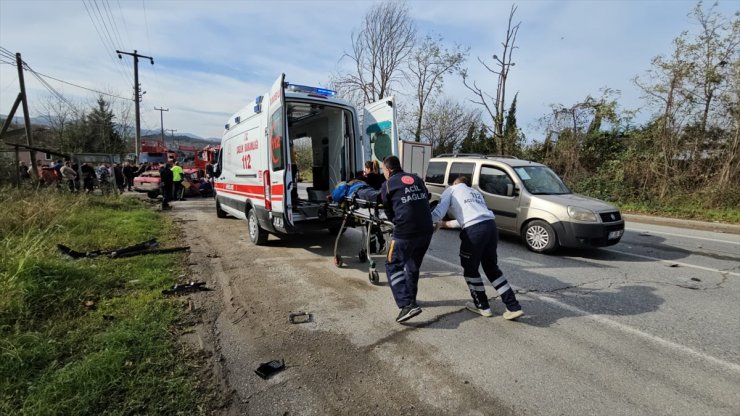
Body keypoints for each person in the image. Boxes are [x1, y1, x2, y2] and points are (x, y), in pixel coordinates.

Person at [430, 176, 524, 320]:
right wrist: (443, 224)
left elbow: (438, 212)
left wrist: (425, 223)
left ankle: (483, 306)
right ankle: (513, 306)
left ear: (456, 183)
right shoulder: (476, 193)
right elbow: (467, 219)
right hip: (491, 227)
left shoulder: (452, 189)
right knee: (492, 268)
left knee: (470, 269)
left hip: (474, 231)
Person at [380, 155, 434, 323]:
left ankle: (406, 305)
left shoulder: (387, 184)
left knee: (392, 265)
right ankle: (412, 301)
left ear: (388, 170)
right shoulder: (416, 178)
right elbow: (425, 197)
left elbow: (388, 210)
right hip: (426, 230)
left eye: (383, 171)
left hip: (405, 232)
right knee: (412, 265)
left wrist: (397, 222)